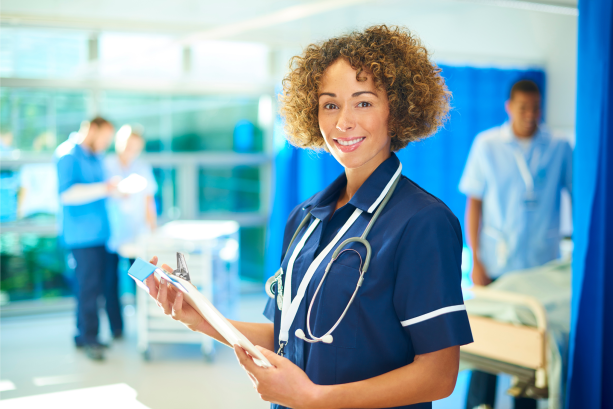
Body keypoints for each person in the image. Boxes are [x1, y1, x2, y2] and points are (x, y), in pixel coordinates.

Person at [145, 25, 473, 409]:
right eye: (330, 104)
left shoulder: (423, 222)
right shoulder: (304, 218)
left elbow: (438, 374)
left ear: (396, 112)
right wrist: (200, 319)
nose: (343, 122)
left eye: (363, 103)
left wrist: (314, 398)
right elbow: (286, 334)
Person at [459, 80, 573, 409]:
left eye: (536, 108)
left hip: (539, 269)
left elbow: (580, 196)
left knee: (529, 359)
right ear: (509, 107)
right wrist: (476, 260)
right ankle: (478, 405)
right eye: (523, 108)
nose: (530, 115)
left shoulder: (559, 146)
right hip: (496, 265)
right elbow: (474, 204)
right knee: (488, 351)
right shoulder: (488, 145)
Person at [55, 117, 121, 361]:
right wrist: (105, 188)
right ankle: (89, 338)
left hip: (101, 234)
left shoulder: (95, 157)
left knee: (96, 288)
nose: (106, 144)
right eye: (104, 138)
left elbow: (100, 190)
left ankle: (84, 334)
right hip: (81, 238)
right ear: (92, 130)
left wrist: (115, 191)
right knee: (88, 289)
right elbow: (67, 194)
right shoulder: (67, 155)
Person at [104, 124, 157, 302]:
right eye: (128, 145)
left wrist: (152, 230)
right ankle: (117, 328)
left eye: (135, 147)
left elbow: (149, 201)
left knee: (140, 281)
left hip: (137, 233)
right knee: (110, 281)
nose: (131, 150)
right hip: (111, 232)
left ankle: (143, 326)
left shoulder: (142, 167)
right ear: (119, 142)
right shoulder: (107, 164)